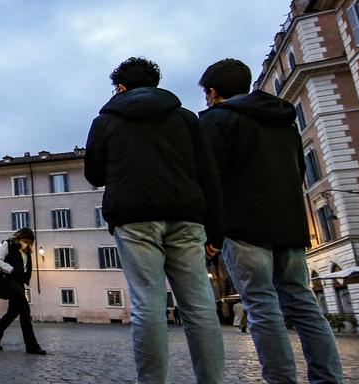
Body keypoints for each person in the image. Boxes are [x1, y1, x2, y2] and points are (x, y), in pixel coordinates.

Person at [199, 58, 342, 383]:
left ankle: (281, 379)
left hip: (243, 227)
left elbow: (210, 181)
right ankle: (328, 379)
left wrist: (212, 234)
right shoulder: (284, 120)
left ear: (212, 92)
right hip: (289, 225)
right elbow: (299, 170)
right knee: (304, 303)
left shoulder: (215, 122)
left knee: (262, 307)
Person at [84, 57, 224, 382]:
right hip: (186, 216)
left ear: (120, 87)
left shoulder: (104, 121)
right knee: (200, 304)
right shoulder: (186, 118)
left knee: (147, 304)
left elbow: (94, 172)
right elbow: (209, 175)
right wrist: (216, 232)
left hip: (133, 218)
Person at [0, 228, 45, 355]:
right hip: (7, 281)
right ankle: (32, 346)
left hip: (18, 284)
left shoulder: (26, 252)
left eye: (29, 242)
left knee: (13, 312)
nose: (26, 244)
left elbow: (25, 269)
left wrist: (24, 278)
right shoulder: (7, 244)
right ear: (19, 238)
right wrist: (11, 269)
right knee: (25, 310)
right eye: (24, 241)